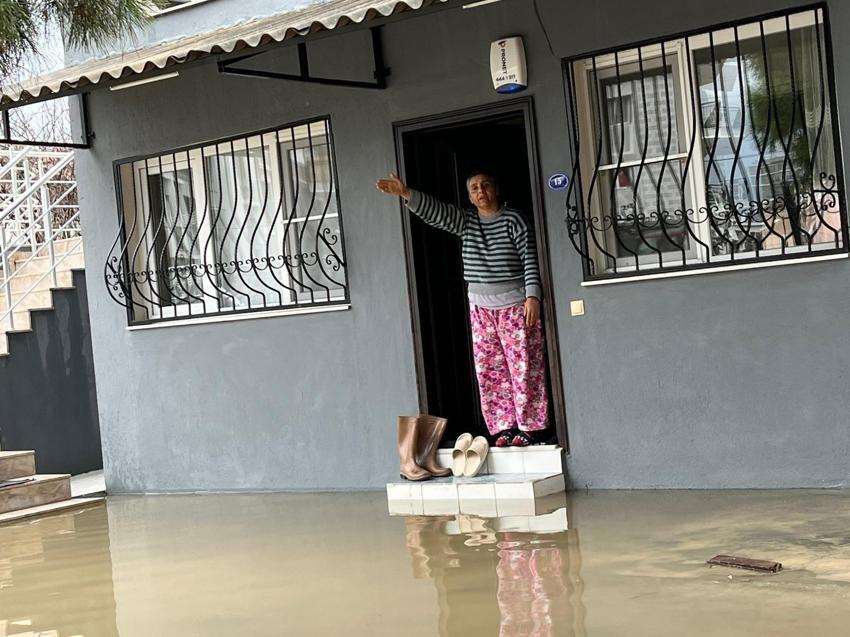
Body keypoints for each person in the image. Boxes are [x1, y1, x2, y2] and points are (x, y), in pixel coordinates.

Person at [376, 170, 549, 447]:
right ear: (469, 197)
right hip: (480, 308)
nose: (481, 191)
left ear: (496, 189)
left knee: (524, 366)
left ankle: (531, 428)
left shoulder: (514, 220)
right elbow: (438, 213)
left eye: (486, 185)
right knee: (490, 369)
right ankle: (504, 428)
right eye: (475, 188)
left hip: (515, 305)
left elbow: (530, 258)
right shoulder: (467, 222)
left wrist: (533, 296)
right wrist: (406, 193)